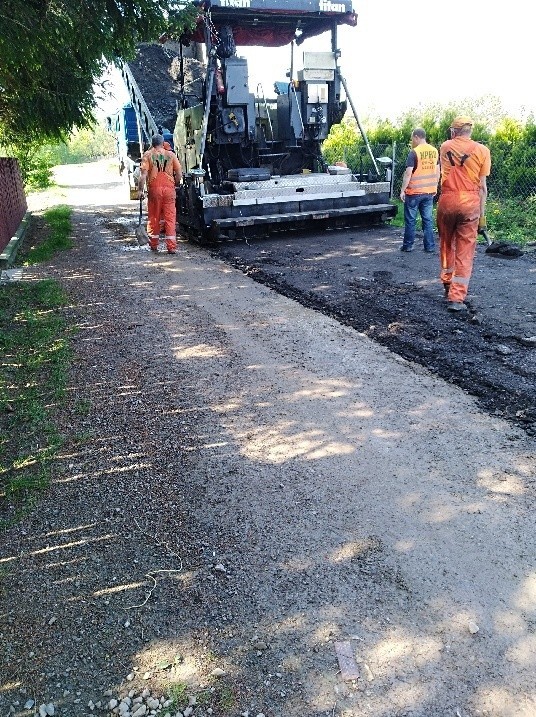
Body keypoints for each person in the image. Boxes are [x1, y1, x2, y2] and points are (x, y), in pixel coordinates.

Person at [437, 116, 491, 311]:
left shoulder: (445, 147)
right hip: (470, 203)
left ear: (454, 131)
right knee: (465, 250)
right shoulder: (483, 151)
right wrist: (482, 216)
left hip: (447, 201)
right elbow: (483, 187)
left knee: (446, 244)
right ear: (470, 131)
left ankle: (446, 283)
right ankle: (456, 298)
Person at [137, 135, 182, 254]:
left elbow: (143, 176)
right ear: (163, 143)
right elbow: (179, 173)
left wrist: (140, 190)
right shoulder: (171, 155)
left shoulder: (147, 155)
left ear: (152, 143)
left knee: (154, 217)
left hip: (154, 190)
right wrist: (174, 184)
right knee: (170, 218)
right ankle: (171, 247)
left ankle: (154, 244)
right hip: (169, 190)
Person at [399, 128, 440, 252]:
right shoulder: (434, 151)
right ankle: (430, 246)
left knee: (410, 220)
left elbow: (408, 173)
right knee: (427, 220)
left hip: (414, 192)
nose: (412, 141)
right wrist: (435, 186)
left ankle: (408, 246)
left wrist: (402, 190)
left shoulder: (414, 152)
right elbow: (438, 171)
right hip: (429, 191)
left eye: (413, 138)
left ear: (417, 137)